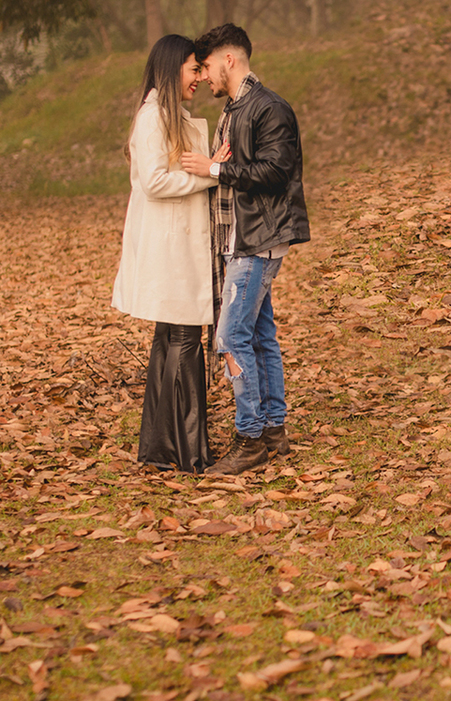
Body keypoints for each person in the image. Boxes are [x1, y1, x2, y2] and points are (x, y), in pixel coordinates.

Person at [181, 23, 309, 476]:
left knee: (231, 337)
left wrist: (215, 167)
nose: (206, 77)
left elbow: (276, 170)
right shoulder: (237, 109)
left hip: (259, 240)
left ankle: (250, 438)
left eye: (209, 67)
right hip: (245, 236)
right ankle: (274, 431)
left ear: (229, 60)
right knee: (257, 335)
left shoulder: (268, 107)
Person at [112, 34, 229, 473]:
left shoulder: (168, 114)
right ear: (171, 68)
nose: (199, 77)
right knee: (182, 341)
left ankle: (166, 448)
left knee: (174, 340)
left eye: (200, 69)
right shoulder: (153, 118)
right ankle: (184, 452)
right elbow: (154, 182)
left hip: (177, 244)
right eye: (193, 68)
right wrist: (209, 175)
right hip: (170, 248)